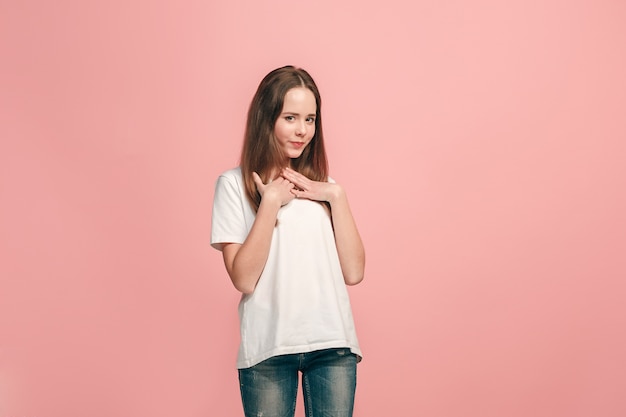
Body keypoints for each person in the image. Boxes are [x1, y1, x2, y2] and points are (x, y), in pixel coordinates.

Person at [211, 65, 365, 417]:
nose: (302, 131)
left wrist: (337, 196)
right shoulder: (233, 185)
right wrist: (270, 204)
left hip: (332, 344)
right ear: (267, 119)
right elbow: (244, 278)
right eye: (291, 117)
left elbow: (354, 271)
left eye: (310, 119)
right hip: (268, 347)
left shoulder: (324, 185)